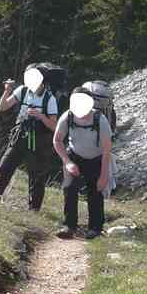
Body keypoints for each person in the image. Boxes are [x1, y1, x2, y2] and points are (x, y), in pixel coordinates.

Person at [0, 67, 58, 211]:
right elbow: (3, 107)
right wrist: (7, 90)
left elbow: (54, 126)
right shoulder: (23, 90)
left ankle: (33, 210)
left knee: (36, 175)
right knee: (5, 166)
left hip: (37, 140)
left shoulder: (49, 99)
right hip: (20, 134)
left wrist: (40, 116)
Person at [52, 87, 113, 239]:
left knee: (95, 191)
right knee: (69, 187)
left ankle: (95, 228)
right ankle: (69, 226)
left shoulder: (101, 120)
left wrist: (104, 176)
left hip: (97, 159)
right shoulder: (68, 117)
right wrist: (67, 162)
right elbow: (57, 140)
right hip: (74, 157)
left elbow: (107, 150)